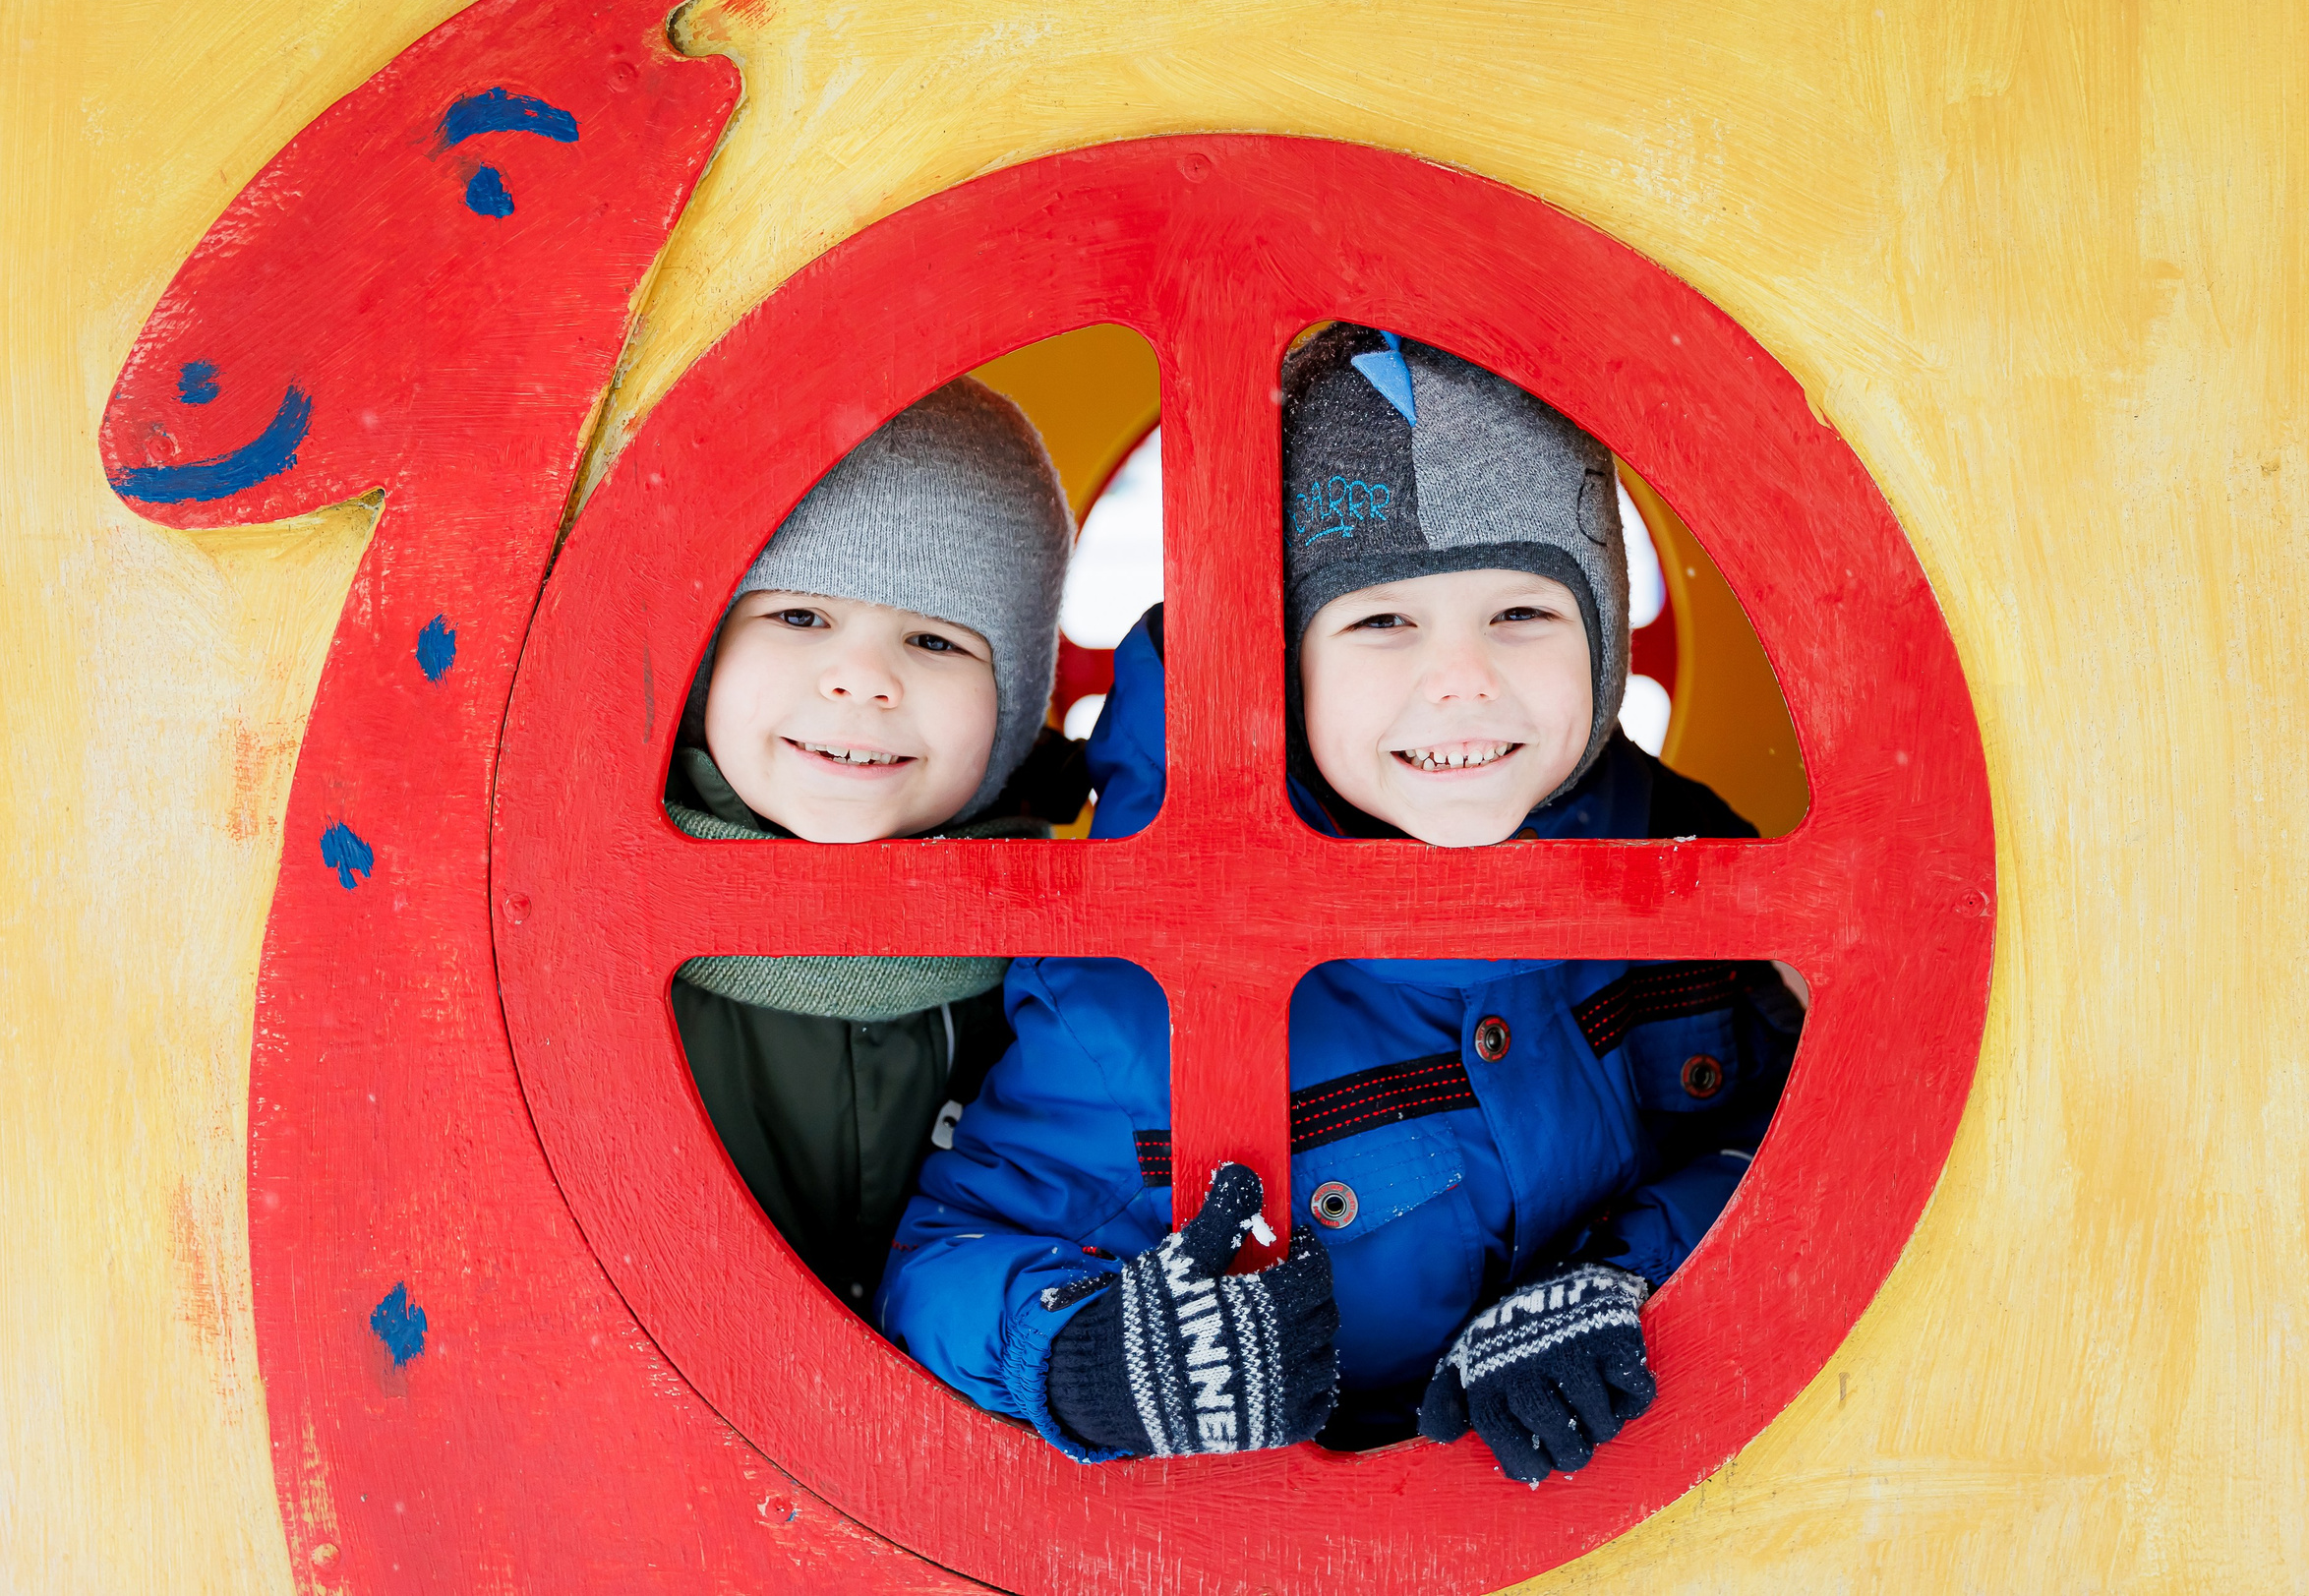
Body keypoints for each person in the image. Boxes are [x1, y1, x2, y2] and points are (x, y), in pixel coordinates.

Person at [877, 327, 1805, 1483]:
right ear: (1281, 667)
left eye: (1521, 613)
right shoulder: (1132, 988)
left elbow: (1810, 1128)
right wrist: (1084, 1351)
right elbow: (944, 1258)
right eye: (1381, 622)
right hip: (1309, 1536)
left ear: (1604, 644)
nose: (1459, 679)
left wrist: (1628, 1267)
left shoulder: (1694, 866)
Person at [668, 378, 1084, 1321]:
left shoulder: (1061, 958)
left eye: (933, 640)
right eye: (800, 616)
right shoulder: (580, 913)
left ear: (1014, 705)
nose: (861, 680)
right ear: (708, 651)